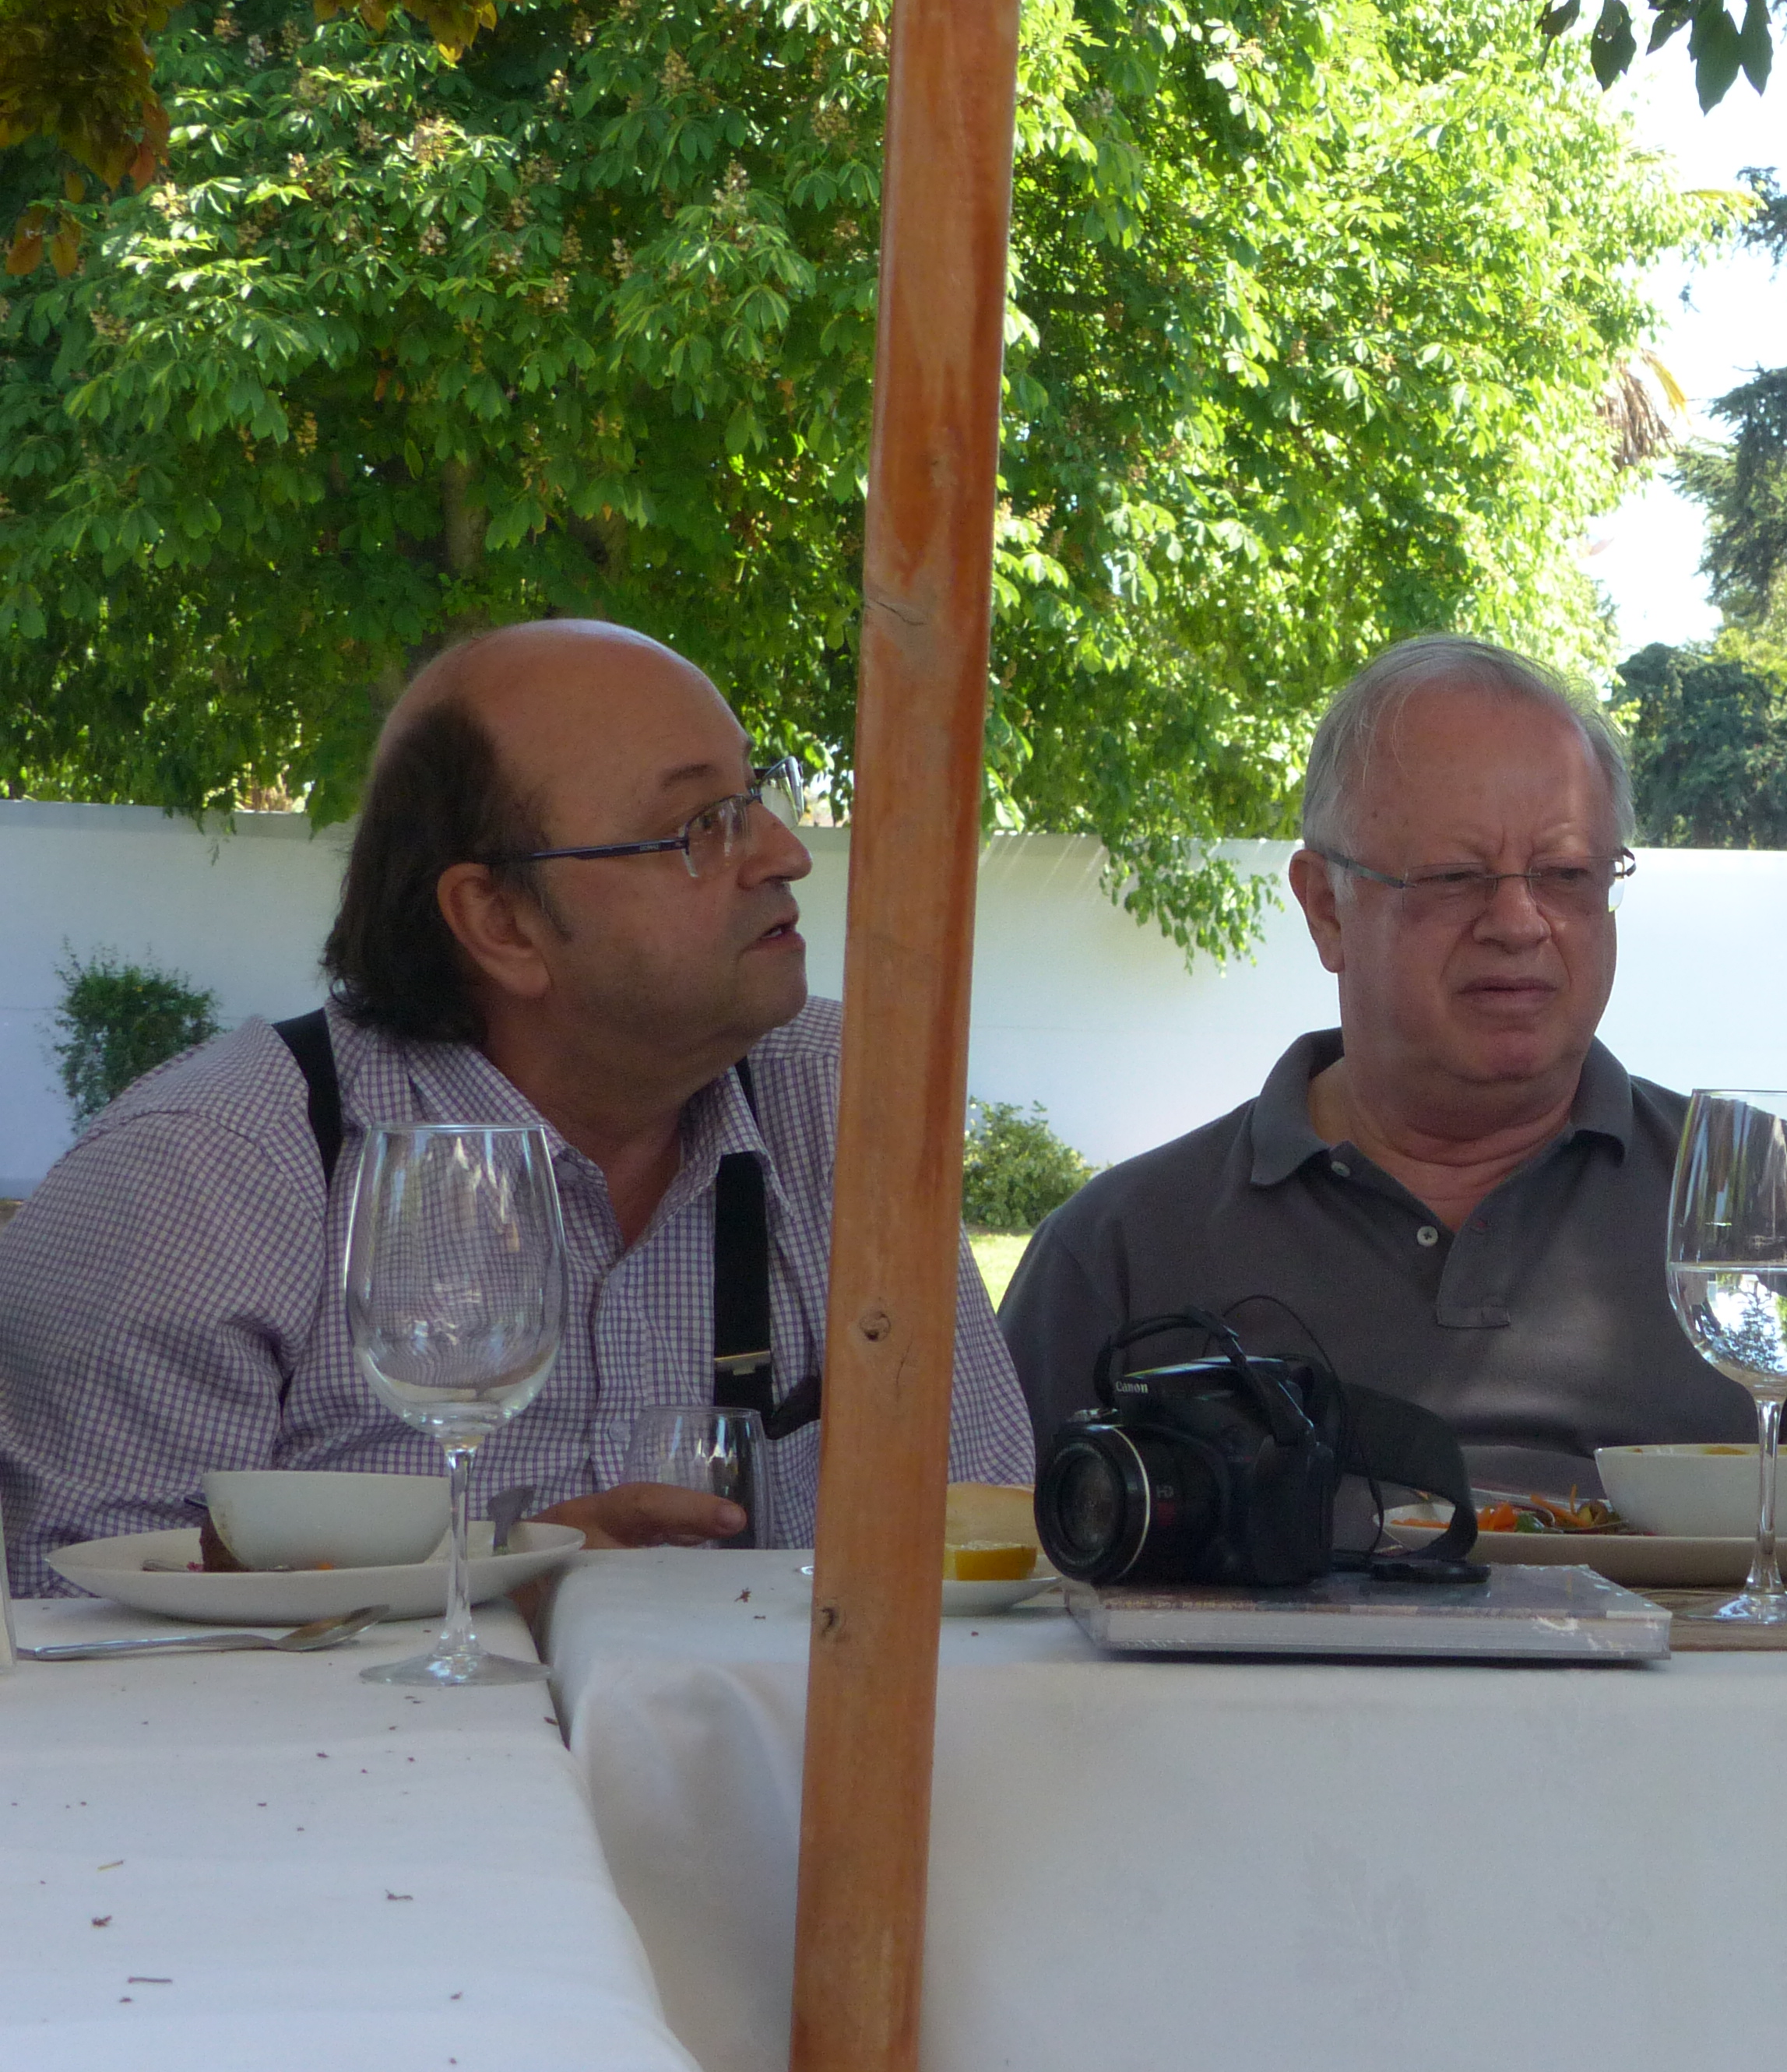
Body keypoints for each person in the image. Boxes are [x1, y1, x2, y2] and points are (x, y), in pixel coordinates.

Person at [0, 621, 1034, 1591]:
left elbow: (985, 1544)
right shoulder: (202, 1176)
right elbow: (87, 1635)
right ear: (499, 922)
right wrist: (500, 1588)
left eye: (757, 794)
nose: (784, 853)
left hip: (762, 1735)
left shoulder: (844, 1095)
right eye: (700, 827)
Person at [1000, 636, 1787, 1553]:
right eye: (1455, 877)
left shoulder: (1768, 1206)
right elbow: (998, 1597)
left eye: (1567, 875)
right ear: (1326, 907)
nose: (1518, 921)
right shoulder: (1123, 1250)